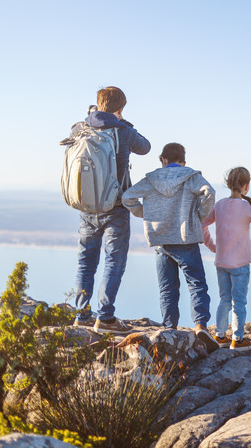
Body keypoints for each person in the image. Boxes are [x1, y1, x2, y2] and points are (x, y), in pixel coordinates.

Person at [122, 143, 220, 352]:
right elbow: (209, 193)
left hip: (161, 241)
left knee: (167, 288)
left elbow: (127, 196)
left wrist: (145, 213)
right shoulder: (191, 176)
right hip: (186, 239)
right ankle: (201, 325)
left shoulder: (151, 179)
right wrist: (198, 216)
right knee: (196, 283)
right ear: (184, 162)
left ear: (163, 160)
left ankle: (169, 328)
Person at [70, 86, 151, 334]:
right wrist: (123, 122)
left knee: (86, 262)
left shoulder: (82, 128)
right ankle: (105, 318)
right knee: (114, 261)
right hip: (115, 207)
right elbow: (145, 147)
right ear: (120, 108)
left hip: (87, 206)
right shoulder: (122, 130)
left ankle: (81, 315)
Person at [201, 167, 251, 351]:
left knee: (224, 299)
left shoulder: (219, 205)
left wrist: (213, 247)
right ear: (246, 186)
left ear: (229, 184)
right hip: (240, 264)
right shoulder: (246, 207)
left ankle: (219, 336)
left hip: (221, 262)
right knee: (239, 302)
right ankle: (238, 340)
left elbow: (202, 225)